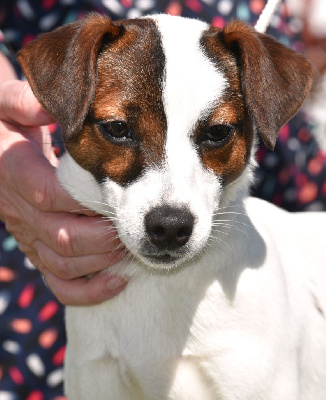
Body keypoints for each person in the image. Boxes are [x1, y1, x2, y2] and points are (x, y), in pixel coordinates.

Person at [0, 0, 325, 398]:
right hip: (60, 254)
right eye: (118, 128)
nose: (171, 208)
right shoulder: (88, 56)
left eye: (217, 133)